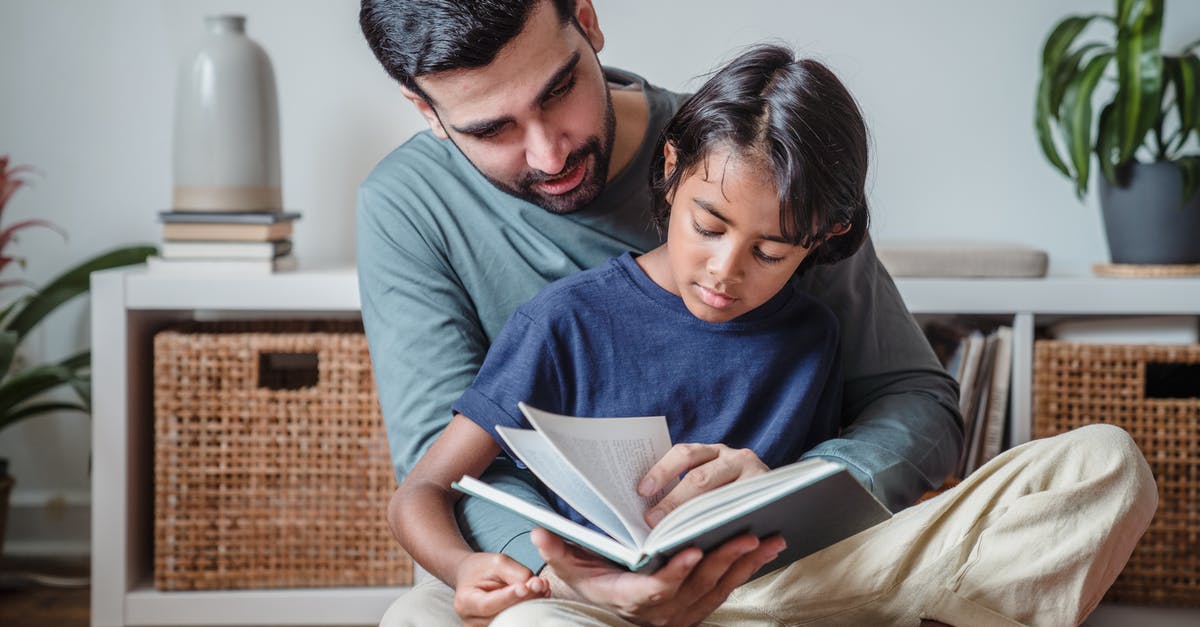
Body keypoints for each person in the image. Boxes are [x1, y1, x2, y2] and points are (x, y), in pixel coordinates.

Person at [356, 1, 1156, 625]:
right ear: (424, 110)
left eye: (559, 89)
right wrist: (573, 574)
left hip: (797, 568)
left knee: (1100, 467)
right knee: (417, 615)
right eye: (490, 128)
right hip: (570, 587)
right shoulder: (413, 214)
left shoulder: (757, 155)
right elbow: (441, 475)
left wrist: (801, 482)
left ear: (588, 20)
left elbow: (915, 401)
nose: (547, 153)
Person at [391, 42, 866, 622]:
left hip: (747, 596)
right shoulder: (566, 320)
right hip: (583, 600)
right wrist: (467, 568)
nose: (725, 270)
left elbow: (818, 519)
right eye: (707, 226)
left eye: (769, 252)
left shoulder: (812, 338)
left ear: (823, 237)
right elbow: (422, 492)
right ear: (672, 169)